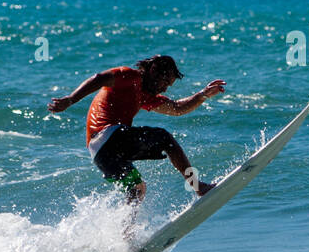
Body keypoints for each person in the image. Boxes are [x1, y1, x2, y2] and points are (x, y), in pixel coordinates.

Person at [46, 55, 225, 202]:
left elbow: (176, 108)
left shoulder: (146, 96)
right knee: (164, 138)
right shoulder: (130, 76)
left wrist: (202, 95)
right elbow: (99, 79)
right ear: (153, 70)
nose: (164, 88)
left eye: (168, 86)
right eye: (164, 82)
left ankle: (126, 237)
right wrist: (70, 99)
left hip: (101, 155)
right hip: (109, 137)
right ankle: (198, 186)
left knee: (137, 189)